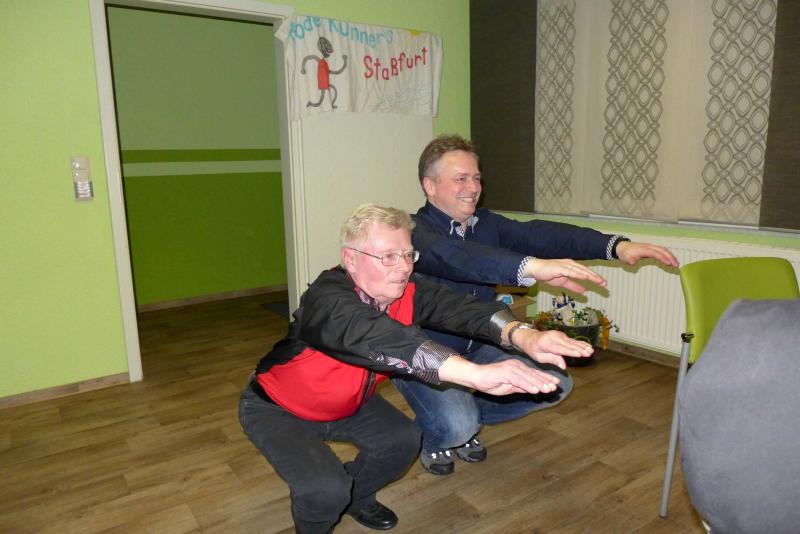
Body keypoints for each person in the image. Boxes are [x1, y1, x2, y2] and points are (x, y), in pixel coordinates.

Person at [238, 204, 593, 533]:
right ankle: (331, 503)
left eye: (408, 255)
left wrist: (522, 335)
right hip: (278, 407)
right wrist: (476, 374)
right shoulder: (326, 297)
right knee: (326, 490)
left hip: (349, 403)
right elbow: (380, 338)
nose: (403, 267)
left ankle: (356, 496)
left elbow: (462, 308)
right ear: (350, 259)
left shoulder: (406, 290)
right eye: (388, 256)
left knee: (404, 442)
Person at [394, 134, 680, 475]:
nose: (473, 188)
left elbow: (542, 234)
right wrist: (531, 267)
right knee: (455, 424)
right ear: (430, 186)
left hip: (480, 342)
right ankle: (439, 435)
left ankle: (463, 419)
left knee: (554, 383)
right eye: (460, 179)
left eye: (477, 178)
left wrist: (616, 246)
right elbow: (457, 257)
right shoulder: (412, 232)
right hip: (426, 353)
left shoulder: (486, 224)